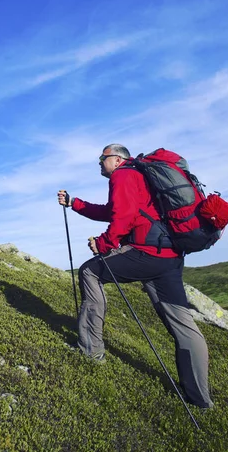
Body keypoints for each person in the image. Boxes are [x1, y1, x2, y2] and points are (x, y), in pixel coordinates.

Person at [57, 143, 213, 408]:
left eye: (101, 159)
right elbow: (112, 210)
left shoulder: (123, 175)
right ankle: (200, 397)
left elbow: (124, 216)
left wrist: (104, 244)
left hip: (147, 253)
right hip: (169, 256)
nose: (99, 163)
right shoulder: (140, 176)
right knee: (181, 321)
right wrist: (75, 204)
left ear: (116, 160)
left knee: (89, 272)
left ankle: (91, 351)